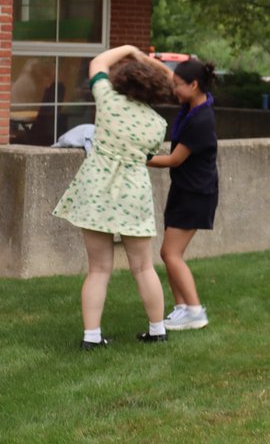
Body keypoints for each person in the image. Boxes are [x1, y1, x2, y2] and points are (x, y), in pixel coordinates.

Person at [51, 45, 176, 349]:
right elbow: (148, 155)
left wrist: (132, 50)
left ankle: (92, 337)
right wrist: (155, 67)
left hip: (96, 192)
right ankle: (157, 330)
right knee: (143, 267)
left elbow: (98, 62)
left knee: (98, 269)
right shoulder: (158, 125)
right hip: (134, 193)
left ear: (123, 80)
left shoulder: (108, 100)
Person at [146, 57, 219, 332]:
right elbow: (171, 76)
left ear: (194, 85)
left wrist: (138, 158)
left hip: (196, 193)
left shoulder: (200, 120)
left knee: (170, 254)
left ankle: (195, 311)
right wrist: (142, 58)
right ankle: (182, 309)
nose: (173, 89)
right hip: (184, 189)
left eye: (178, 85)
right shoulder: (195, 104)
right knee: (169, 254)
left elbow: (174, 160)